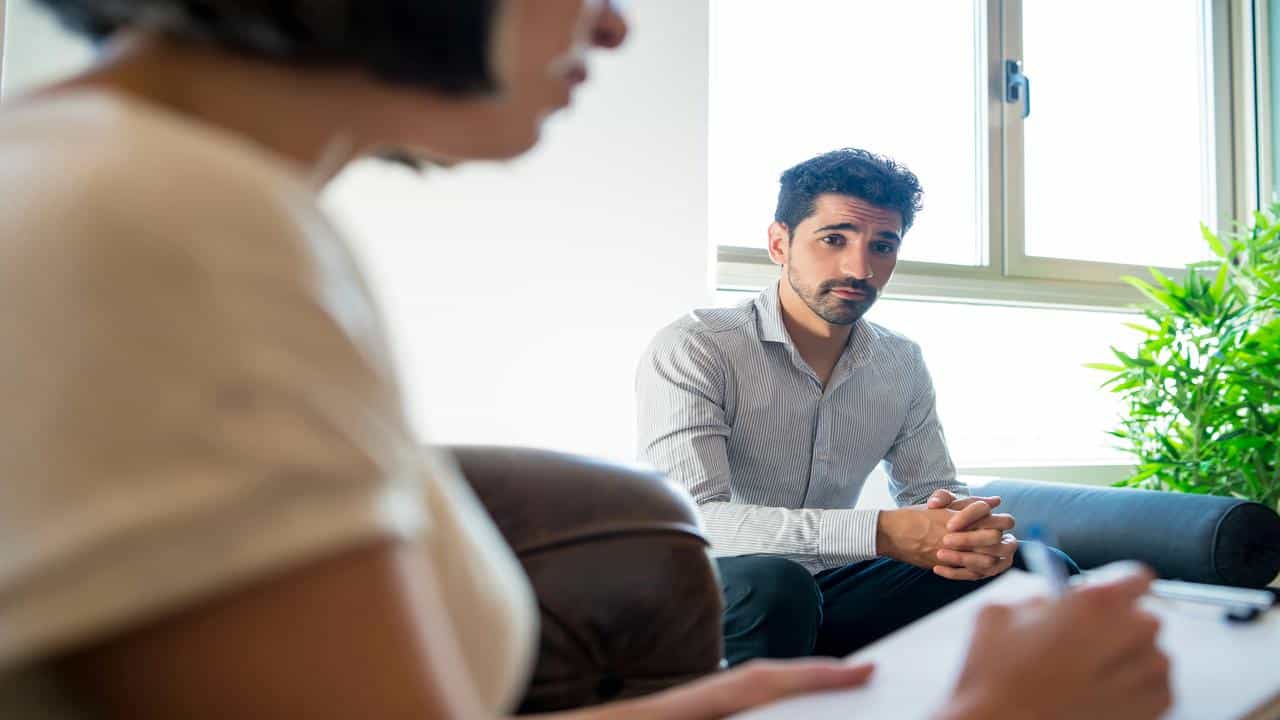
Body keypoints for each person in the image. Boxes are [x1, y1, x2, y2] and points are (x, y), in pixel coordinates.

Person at [0, 1, 1168, 718]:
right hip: (757, 570)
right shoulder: (148, 219)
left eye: (881, 244)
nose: (612, 27)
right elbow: (707, 520)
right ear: (780, 243)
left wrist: (752, 697)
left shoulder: (172, 196)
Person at [637, 148, 1079, 665]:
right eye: (834, 239)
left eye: (883, 245)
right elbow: (695, 523)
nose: (860, 267)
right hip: (718, 587)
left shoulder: (900, 362)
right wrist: (881, 532)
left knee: (1037, 567)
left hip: (830, 586)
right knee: (776, 585)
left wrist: (971, 537)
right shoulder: (697, 345)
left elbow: (932, 493)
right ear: (780, 243)